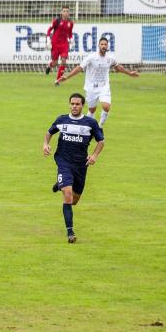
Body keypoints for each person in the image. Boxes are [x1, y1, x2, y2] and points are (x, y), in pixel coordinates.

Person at [43, 93, 104, 243]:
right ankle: (70, 232)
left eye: (77, 104)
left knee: (74, 200)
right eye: (72, 104)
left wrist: (94, 156)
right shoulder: (62, 119)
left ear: (82, 106)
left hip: (81, 165)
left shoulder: (90, 123)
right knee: (68, 195)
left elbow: (101, 141)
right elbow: (49, 132)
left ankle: (61, 184)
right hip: (64, 162)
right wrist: (45, 144)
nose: (74, 106)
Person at [55, 36, 139, 127]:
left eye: (105, 44)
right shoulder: (92, 57)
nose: (103, 46)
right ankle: (88, 127)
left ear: (107, 46)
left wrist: (130, 73)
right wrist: (67, 77)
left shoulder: (110, 58)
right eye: (102, 44)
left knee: (106, 106)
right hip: (91, 87)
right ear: (98, 45)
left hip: (104, 86)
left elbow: (118, 67)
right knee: (92, 109)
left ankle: (100, 126)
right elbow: (79, 68)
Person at [46, 6, 74, 83]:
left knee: (64, 61)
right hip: (55, 44)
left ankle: (58, 80)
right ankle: (49, 65)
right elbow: (49, 30)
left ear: (69, 13)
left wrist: (71, 40)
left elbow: (70, 33)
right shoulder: (57, 21)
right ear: (61, 13)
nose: (65, 13)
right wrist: (48, 40)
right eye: (64, 11)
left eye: (67, 11)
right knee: (55, 63)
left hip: (64, 44)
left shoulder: (70, 23)